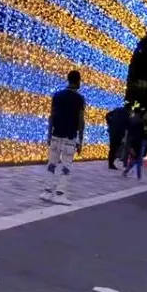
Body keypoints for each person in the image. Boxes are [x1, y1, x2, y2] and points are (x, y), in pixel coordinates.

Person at [40, 70, 85, 205]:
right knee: (66, 166)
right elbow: (81, 120)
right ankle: (60, 193)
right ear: (77, 81)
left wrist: (49, 134)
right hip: (69, 137)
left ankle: (47, 191)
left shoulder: (57, 95)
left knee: (52, 164)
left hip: (56, 134)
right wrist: (80, 140)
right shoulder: (79, 99)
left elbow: (51, 115)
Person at [123, 107, 147, 180]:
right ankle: (138, 176)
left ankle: (128, 171)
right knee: (137, 159)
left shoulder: (137, 120)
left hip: (138, 141)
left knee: (136, 159)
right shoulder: (140, 122)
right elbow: (138, 133)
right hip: (138, 142)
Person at [105, 101, 130, 169]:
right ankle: (111, 164)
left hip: (112, 131)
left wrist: (109, 123)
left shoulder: (117, 109)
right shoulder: (126, 113)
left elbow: (107, 115)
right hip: (119, 133)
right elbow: (127, 124)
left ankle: (110, 163)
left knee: (112, 148)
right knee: (115, 148)